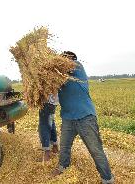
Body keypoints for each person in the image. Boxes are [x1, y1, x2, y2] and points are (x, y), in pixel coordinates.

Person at [52, 51, 114, 184]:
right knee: (64, 146)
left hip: (85, 117)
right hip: (68, 118)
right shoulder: (59, 78)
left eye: (65, 58)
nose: (63, 60)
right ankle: (63, 167)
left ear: (71, 60)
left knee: (95, 150)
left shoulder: (78, 67)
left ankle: (107, 179)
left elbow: (61, 67)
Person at [38, 93, 59, 162]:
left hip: (47, 101)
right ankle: (55, 147)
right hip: (52, 102)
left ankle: (47, 152)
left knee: (44, 126)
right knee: (51, 123)